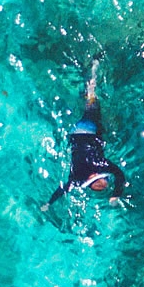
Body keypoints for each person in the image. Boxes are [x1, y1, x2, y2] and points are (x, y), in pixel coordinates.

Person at [42, 60, 126, 211]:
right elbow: (63, 189)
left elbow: (120, 175)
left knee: (93, 105)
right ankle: (84, 87)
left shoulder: (99, 165)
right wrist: (48, 203)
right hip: (74, 135)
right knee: (96, 118)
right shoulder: (77, 177)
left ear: (94, 175)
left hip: (88, 132)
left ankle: (93, 73)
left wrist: (49, 203)